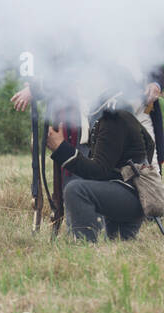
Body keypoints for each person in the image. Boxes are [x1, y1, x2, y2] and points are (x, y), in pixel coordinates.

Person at [46, 95, 154, 241]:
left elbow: (98, 171)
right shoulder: (119, 116)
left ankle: (86, 248)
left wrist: (61, 149)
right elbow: (150, 144)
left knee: (76, 190)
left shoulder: (114, 120)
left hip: (130, 194)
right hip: (129, 192)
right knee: (119, 246)